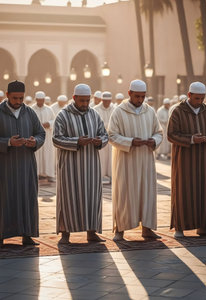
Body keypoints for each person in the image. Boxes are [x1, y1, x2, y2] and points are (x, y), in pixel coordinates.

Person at [0, 80, 45, 246]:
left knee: (27, 196)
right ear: (7, 95)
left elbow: (41, 133)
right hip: (4, 166)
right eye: (15, 98)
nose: (18, 101)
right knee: (3, 197)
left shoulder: (29, 113)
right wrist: (8, 142)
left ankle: (27, 234)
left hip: (25, 165)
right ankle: (0, 236)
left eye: (21, 98)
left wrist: (35, 142)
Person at [53, 84, 108, 244]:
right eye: (82, 101)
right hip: (70, 167)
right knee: (68, 198)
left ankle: (92, 232)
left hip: (91, 165)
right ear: (74, 98)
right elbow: (56, 138)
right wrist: (77, 141)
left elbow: (104, 135)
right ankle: (65, 234)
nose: (85, 104)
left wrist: (99, 141)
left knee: (92, 198)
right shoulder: (63, 116)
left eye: (87, 101)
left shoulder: (95, 115)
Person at [108, 79, 163, 241]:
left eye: (143, 97)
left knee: (147, 193)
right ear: (129, 94)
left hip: (146, 160)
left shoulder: (150, 111)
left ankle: (147, 228)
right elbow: (111, 136)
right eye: (137, 96)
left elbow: (159, 132)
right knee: (125, 193)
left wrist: (153, 140)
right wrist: (131, 142)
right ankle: (120, 229)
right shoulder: (119, 111)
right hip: (126, 161)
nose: (140, 100)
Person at [168, 82, 206, 238]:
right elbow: (171, 135)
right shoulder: (178, 111)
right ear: (189, 95)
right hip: (184, 159)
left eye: (202, 98)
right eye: (197, 98)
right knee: (183, 189)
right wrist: (191, 139)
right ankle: (180, 227)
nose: (200, 102)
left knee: (204, 190)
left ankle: (204, 227)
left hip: (203, 159)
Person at [31, 91, 56, 182]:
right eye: (39, 100)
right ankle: (36, 174)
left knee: (48, 154)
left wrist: (49, 124)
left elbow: (54, 121)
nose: (40, 102)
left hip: (47, 137)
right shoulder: (31, 109)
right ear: (36, 99)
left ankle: (49, 174)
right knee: (36, 155)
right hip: (35, 136)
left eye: (42, 100)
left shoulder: (49, 109)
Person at [93, 91, 115, 181]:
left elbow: (115, 123)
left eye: (108, 101)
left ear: (110, 101)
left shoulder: (114, 109)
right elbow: (96, 123)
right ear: (101, 100)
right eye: (105, 101)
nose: (107, 103)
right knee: (101, 156)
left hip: (111, 137)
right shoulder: (95, 109)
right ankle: (100, 175)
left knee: (111, 156)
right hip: (100, 137)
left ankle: (111, 175)